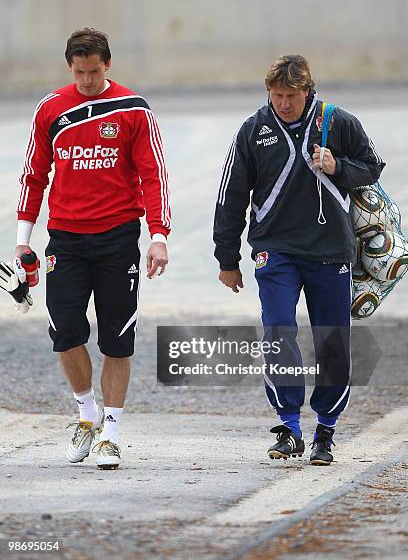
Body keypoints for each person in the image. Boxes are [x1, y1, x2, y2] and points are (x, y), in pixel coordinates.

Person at [213, 54, 384, 465]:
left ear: (309, 91)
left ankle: (326, 429)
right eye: (276, 95)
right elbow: (230, 197)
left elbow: (372, 168)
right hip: (276, 250)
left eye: (291, 95)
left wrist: (337, 165)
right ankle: (289, 425)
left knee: (333, 342)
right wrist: (227, 258)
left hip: (330, 250)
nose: (284, 103)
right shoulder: (253, 130)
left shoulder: (337, 121)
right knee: (278, 330)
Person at [15, 28, 171, 470]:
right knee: (65, 332)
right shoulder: (50, 109)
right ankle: (86, 416)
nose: (85, 80)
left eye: (93, 71)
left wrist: (158, 236)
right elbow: (33, 177)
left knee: (117, 339)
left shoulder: (133, 109)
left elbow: (153, 176)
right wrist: (22, 243)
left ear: (107, 65)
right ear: (70, 67)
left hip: (118, 236)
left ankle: (112, 433)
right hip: (64, 238)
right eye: (79, 72)